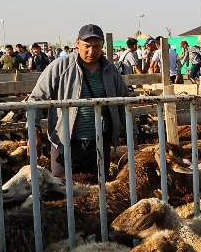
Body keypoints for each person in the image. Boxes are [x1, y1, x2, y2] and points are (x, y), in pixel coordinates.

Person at [29, 24, 129, 179]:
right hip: (65, 143)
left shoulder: (110, 70)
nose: (91, 51)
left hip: (99, 144)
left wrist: (132, 133)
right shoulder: (60, 67)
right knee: (62, 191)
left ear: (102, 45)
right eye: (87, 46)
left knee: (97, 192)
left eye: (97, 46)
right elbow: (36, 98)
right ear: (78, 43)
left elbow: (124, 101)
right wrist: (33, 132)